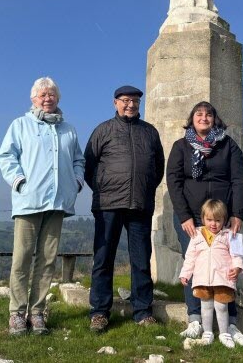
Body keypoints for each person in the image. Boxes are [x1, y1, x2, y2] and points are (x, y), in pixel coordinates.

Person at [0, 77, 85, 336]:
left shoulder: (68, 129)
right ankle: (16, 313)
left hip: (57, 203)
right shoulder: (20, 125)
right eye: (43, 95)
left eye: (52, 95)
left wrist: (76, 182)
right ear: (33, 99)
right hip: (28, 202)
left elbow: (78, 159)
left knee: (47, 260)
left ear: (58, 99)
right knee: (22, 258)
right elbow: (5, 156)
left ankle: (36, 313)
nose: (48, 99)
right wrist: (19, 181)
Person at [166, 101, 243, 346]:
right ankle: (195, 319)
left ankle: (230, 322)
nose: (204, 118)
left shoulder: (228, 146)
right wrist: (184, 216)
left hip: (224, 219)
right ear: (191, 119)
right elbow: (174, 181)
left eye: (208, 114)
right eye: (199, 114)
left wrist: (237, 214)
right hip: (192, 218)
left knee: (228, 267)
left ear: (215, 119)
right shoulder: (181, 147)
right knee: (194, 266)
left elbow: (239, 181)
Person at [84, 85, 165, 331]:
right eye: (125, 100)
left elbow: (158, 168)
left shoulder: (150, 132)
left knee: (141, 260)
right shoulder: (103, 130)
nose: (130, 105)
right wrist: (102, 190)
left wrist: (146, 189)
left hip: (140, 205)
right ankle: (99, 312)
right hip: (108, 205)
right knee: (103, 259)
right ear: (115, 102)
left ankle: (142, 312)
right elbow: (88, 166)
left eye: (135, 102)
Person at [178, 199, 243, 348]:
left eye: (217, 220)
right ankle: (207, 332)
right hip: (202, 279)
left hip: (222, 279)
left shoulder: (229, 235)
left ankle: (224, 333)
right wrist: (185, 274)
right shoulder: (196, 235)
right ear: (202, 219)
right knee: (206, 306)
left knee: (222, 307)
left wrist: (237, 268)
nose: (213, 224)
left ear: (224, 220)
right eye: (209, 220)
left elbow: (237, 255)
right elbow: (190, 257)